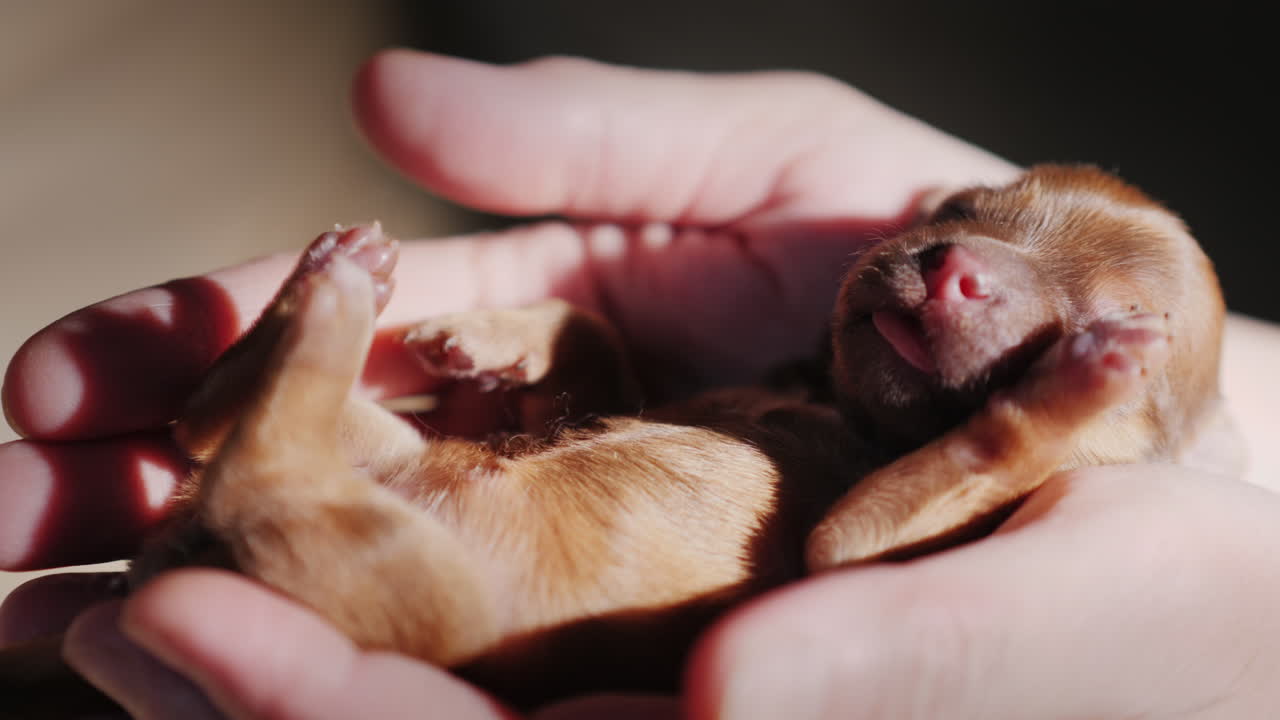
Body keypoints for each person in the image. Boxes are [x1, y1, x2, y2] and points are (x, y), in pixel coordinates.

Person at [2, 50, 1279, 720]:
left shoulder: (968, 524)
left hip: (454, 597)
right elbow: (623, 428)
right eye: (964, 216)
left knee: (347, 523)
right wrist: (559, 338)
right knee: (368, 445)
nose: (960, 268)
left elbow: (843, 547)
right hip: (437, 498)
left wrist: (1012, 442)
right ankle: (258, 412)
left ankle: (277, 416)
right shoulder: (787, 395)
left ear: (1154, 446)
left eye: (1106, 337)